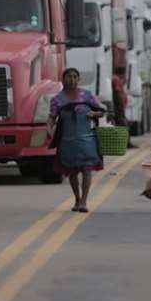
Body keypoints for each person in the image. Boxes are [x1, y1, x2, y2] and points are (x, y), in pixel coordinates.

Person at [47, 68, 107, 212]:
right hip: (68, 141)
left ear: (78, 80)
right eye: (69, 77)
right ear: (63, 80)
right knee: (72, 171)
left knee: (87, 170)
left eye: (75, 77)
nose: (72, 79)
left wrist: (93, 113)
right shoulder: (57, 99)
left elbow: (101, 111)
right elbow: (51, 118)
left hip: (86, 140)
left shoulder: (87, 95)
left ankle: (84, 201)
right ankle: (77, 198)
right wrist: (49, 130)